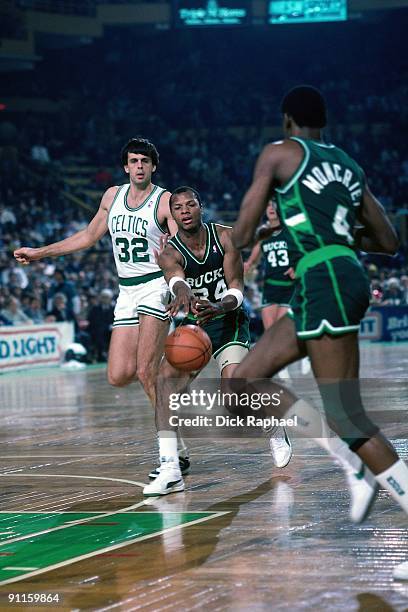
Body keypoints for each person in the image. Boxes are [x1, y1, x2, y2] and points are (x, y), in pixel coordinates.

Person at [229, 85, 408, 577]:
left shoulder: (278, 153)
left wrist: (259, 232)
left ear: (287, 119)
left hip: (324, 278)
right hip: (335, 274)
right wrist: (338, 231)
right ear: (321, 122)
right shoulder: (348, 163)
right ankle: (351, 461)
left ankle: (358, 459)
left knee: (350, 418)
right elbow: (389, 240)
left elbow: (242, 233)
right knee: (238, 385)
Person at [14, 137, 178, 427]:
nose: (139, 166)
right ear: (126, 167)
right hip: (126, 290)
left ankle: (173, 451)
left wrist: (175, 253)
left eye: (145, 161)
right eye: (134, 161)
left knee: (144, 372)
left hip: (156, 285)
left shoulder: (165, 201)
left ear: (154, 166)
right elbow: (88, 237)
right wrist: (40, 253)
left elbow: (186, 245)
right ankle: (169, 371)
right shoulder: (112, 196)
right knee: (117, 375)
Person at [143, 186, 294, 496]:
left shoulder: (225, 236)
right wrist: (180, 289)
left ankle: (273, 425)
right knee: (163, 382)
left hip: (229, 320)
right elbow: (175, 277)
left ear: (201, 206)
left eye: (190, 204)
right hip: (195, 324)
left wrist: (220, 305)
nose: (184, 210)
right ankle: (171, 468)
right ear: (172, 215)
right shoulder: (170, 252)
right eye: (178, 207)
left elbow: (237, 287)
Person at [244, 199, 310, 378]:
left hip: (290, 286)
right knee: (270, 332)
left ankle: (306, 352)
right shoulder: (264, 233)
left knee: (284, 330)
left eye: (275, 205)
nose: (271, 208)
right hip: (270, 287)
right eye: (268, 205)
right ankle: (281, 369)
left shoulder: (290, 229)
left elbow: (304, 251)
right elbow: (253, 259)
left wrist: (298, 266)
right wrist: (247, 265)